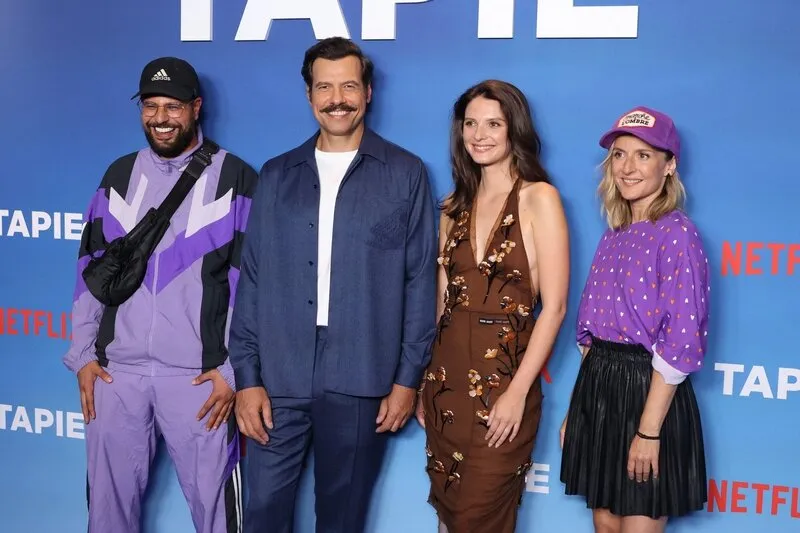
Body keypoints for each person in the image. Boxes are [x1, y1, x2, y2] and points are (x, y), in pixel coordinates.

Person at [228, 37, 438, 533]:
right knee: (263, 512)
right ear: (309, 95)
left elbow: (418, 282)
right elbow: (252, 277)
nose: (337, 99)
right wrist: (247, 377)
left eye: (348, 86)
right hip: (278, 373)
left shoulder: (405, 173)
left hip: (363, 373)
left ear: (367, 92)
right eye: (324, 87)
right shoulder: (277, 174)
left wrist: (407, 379)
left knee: (342, 519)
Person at [63, 56, 258, 533]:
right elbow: (90, 270)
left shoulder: (236, 178)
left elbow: (254, 285)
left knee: (218, 517)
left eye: (173, 107)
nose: (160, 118)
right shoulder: (119, 174)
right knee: (106, 515)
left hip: (199, 380)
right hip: (116, 376)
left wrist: (232, 370)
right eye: (150, 106)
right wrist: (83, 355)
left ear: (196, 108)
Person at [415, 80, 569, 532]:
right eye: (471, 124)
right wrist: (425, 380)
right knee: (449, 516)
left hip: (504, 388)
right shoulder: (451, 207)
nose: (479, 135)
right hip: (445, 387)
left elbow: (555, 308)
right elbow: (442, 305)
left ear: (514, 129)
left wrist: (517, 393)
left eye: (493, 124)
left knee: (478, 517)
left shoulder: (539, 198)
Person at [560, 106, 709, 533]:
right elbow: (590, 337)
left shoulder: (677, 233)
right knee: (605, 526)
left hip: (649, 394)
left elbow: (680, 342)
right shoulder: (615, 233)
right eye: (620, 155)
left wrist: (647, 432)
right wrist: (577, 410)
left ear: (669, 165)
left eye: (644, 155)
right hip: (599, 389)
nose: (628, 168)